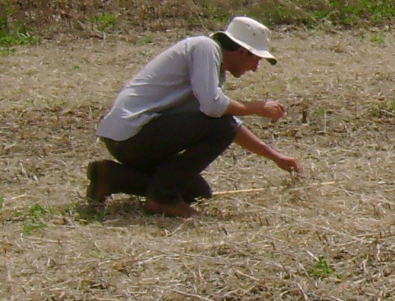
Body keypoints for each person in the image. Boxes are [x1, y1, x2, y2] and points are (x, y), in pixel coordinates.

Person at [88, 16, 299, 218]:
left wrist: (275, 157)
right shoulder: (204, 47)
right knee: (222, 126)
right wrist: (256, 107)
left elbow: (227, 120)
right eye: (257, 60)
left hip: (130, 139)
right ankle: (162, 199)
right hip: (133, 133)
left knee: (197, 194)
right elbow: (215, 109)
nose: (255, 68)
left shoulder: (210, 64)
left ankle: (111, 176)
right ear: (243, 52)